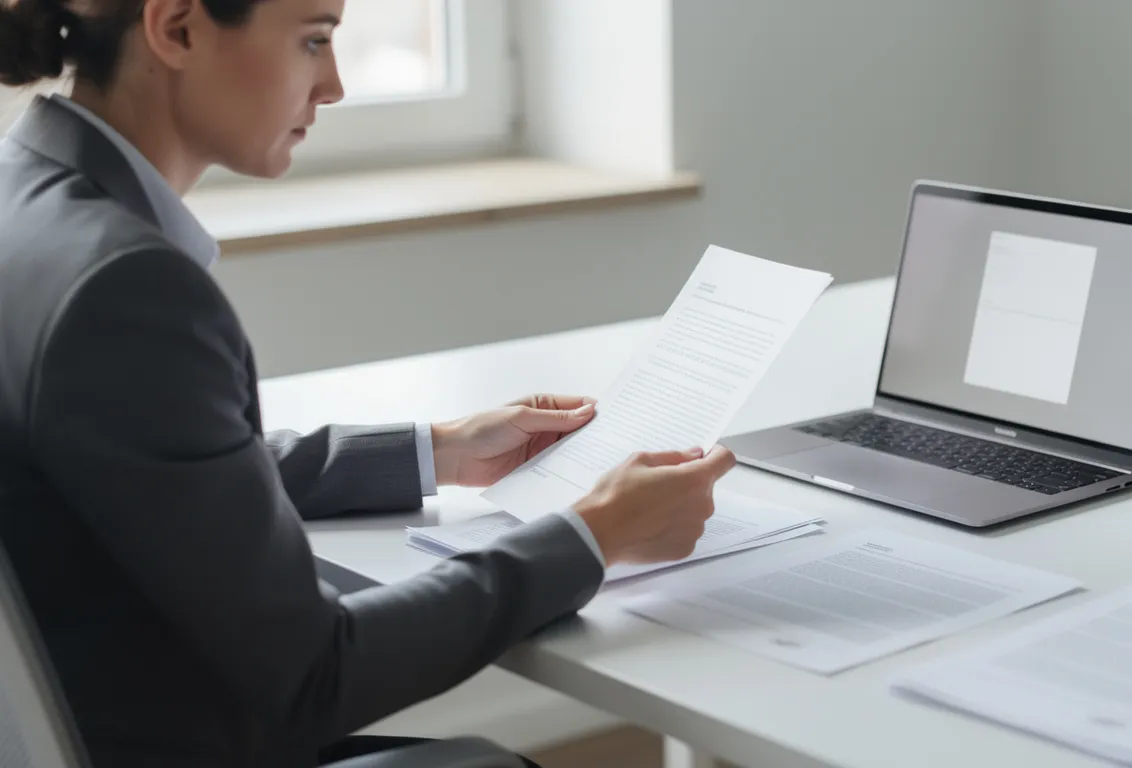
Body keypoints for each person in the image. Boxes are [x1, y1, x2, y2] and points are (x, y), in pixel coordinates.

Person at [0, 1, 737, 766]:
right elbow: (317, 671)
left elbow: (167, 469)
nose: (335, 84)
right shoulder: (127, 286)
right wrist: (597, 533)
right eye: (314, 40)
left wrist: (441, 449)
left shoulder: (27, 195)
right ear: (177, 27)